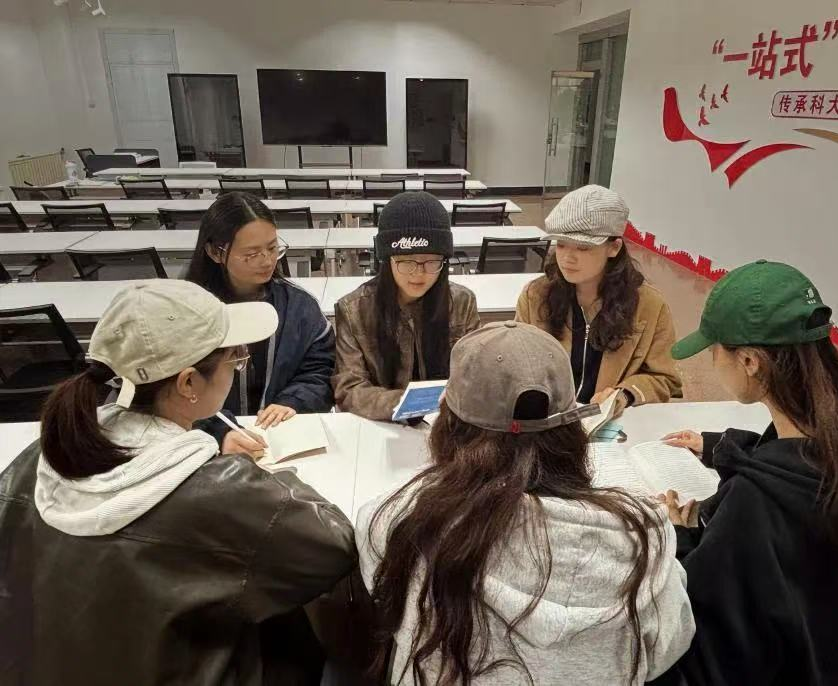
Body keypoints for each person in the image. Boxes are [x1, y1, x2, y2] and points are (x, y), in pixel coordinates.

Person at [0, 280, 356, 685]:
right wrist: (272, 479)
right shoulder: (222, 489)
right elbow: (334, 548)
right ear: (188, 384)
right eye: (235, 359)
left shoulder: (45, 454)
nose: (239, 365)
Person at [357, 321, 695, 685]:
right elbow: (669, 647)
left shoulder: (398, 520)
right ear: (572, 431)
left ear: (448, 424)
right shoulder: (644, 539)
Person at [658, 260, 838, 686]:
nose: (712, 360)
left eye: (714, 349)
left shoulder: (755, 503)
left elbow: (707, 642)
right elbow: (799, 467)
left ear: (749, 361)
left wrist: (682, 536)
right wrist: (726, 447)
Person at [516, 185, 682, 418]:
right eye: (560, 244)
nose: (567, 258)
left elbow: (665, 378)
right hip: (547, 421)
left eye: (583, 248)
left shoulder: (649, 306)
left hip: (610, 424)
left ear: (614, 247)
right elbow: (516, 362)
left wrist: (624, 394)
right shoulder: (535, 296)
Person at [186, 191, 335, 435]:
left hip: (281, 432)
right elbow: (172, 391)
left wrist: (293, 401)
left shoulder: (299, 307)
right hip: (205, 440)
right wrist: (219, 432)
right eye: (252, 254)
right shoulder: (186, 312)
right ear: (214, 252)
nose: (267, 261)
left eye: (273, 248)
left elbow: (320, 370)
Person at [333, 191, 480, 421]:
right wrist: (411, 404)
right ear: (387, 260)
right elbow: (349, 389)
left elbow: (475, 371)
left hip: (447, 423)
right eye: (406, 261)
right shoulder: (353, 310)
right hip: (383, 425)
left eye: (431, 261)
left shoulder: (462, 302)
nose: (418, 273)